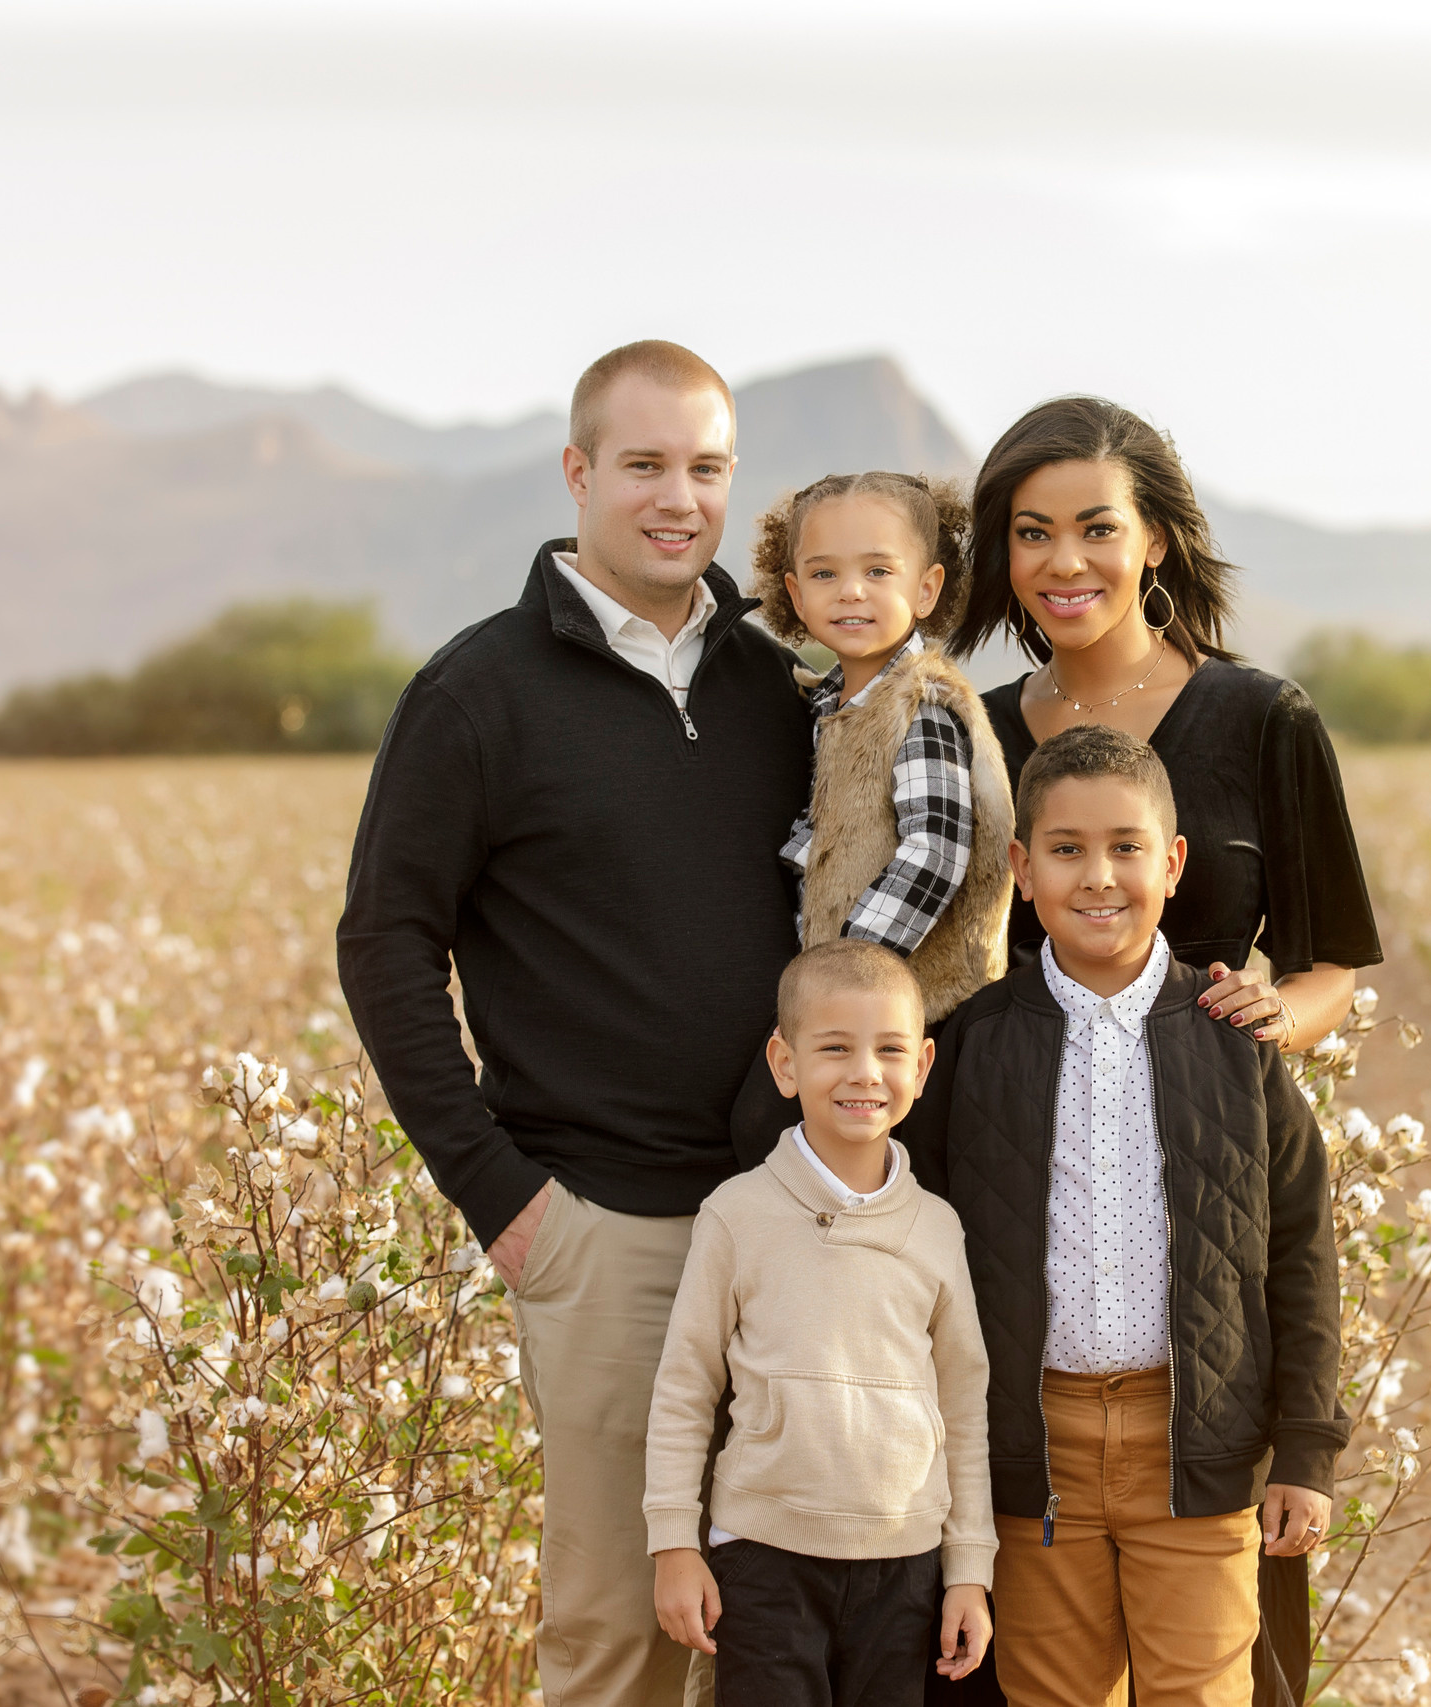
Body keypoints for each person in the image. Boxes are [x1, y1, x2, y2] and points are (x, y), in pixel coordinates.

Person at [337, 340, 812, 1706]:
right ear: (578, 471)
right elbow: (385, 941)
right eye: (645, 464)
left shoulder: (779, 689)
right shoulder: (477, 694)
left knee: (777, 1625)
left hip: (788, 1221)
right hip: (606, 1231)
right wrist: (501, 1196)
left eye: (707, 468)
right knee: (619, 1636)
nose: (680, 498)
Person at [906, 726, 1345, 1707]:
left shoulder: (1234, 1041)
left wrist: (1307, 1448)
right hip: (1033, 1453)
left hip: (1196, 1450)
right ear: (1022, 870)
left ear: (1173, 864)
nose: (1098, 876)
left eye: (1126, 847)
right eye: (1066, 849)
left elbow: (1301, 1251)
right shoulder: (975, 1045)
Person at [950, 395, 1382, 1055]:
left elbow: (1328, 969)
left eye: (1099, 530)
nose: (1064, 562)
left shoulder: (1264, 718)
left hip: (1208, 1105)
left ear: (1154, 539)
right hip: (1012, 1109)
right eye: (1033, 533)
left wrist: (1274, 1019)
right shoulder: (968, 735)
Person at [645, 940, 997, 1705]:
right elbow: (684, 1385)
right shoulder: (736, 1214)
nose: (865, 1072)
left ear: (922, 1067)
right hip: (763, 1556)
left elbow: (965, 1406)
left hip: (905, 1564)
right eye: (835, 1047)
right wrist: (673, 1541)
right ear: (785, 1063)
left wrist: (970, 1568)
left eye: (890, 1050)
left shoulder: (938, 1229)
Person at [753, 472, 1013, 1024]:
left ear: (926, 589)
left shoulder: (921, 705)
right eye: (824, 573)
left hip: (919, 1013)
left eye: (877, 571)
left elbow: (934, 853)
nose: (851, 590)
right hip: (852, 1007)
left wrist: (844, 974)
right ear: (797, 594)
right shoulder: (827, 705)